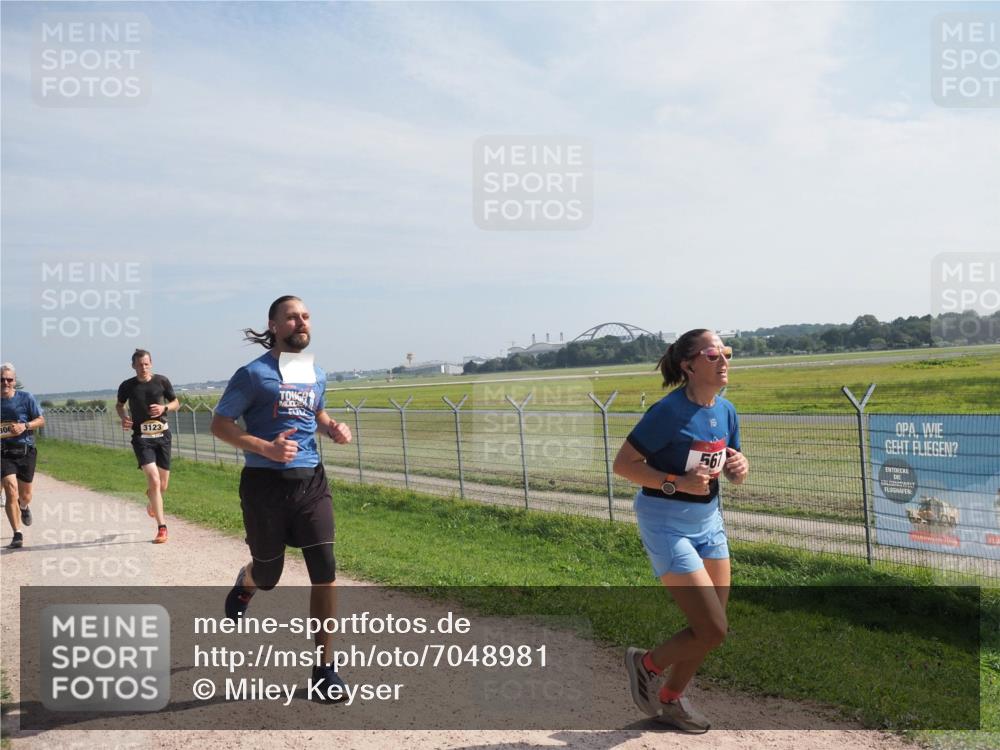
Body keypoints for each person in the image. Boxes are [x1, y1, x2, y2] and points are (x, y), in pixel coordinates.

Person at [210, 295, 353, 703]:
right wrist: (264, 447)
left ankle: (324, 669)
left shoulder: (314, 372)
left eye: (305, 316)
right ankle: (248, 580)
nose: (300, 322)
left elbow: (317, 415)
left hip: (311, 483)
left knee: (325, 570)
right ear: (273, 325)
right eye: (291, 317)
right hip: (264, 487)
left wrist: (334, 429)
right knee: (269, 577)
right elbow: (219, 424)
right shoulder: (253, 375)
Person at [613, 329, 749, 732]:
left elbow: (731, 461)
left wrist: (739, 468)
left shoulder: (726, 410)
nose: (723, 360)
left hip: (708, 523)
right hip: (666, 522)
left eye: (726, 352)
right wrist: (675, 481)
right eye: (713, 354)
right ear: (689, 365)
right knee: (712, 628)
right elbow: (624, 465)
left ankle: (671, 700)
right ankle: (645, 664)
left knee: (709, 629)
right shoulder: (667, 412)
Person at [116, 349, 180, 544]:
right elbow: (119, 405)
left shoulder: (161, 381)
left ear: (151, 363)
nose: (143, 367)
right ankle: (162, 528)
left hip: (163, 437)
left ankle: (153, 498)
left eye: (146, 364)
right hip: (142, 438)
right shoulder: (127, 386)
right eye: (139, 364)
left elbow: (176, 402)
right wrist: (125, 417)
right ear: (133, 366)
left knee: (162, 485)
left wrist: (164, 408)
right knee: (153, 480)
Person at [1, 364, 45, 549]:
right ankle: (17, 533)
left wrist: (24, 426)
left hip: (25, 450)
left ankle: (24, 507)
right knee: (10, 488)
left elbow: (41, 420)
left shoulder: (26, 398)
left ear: (14, 381)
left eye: (9, 379)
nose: (5, 383)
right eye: (1, 379)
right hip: (3, 452)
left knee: (25, 495)